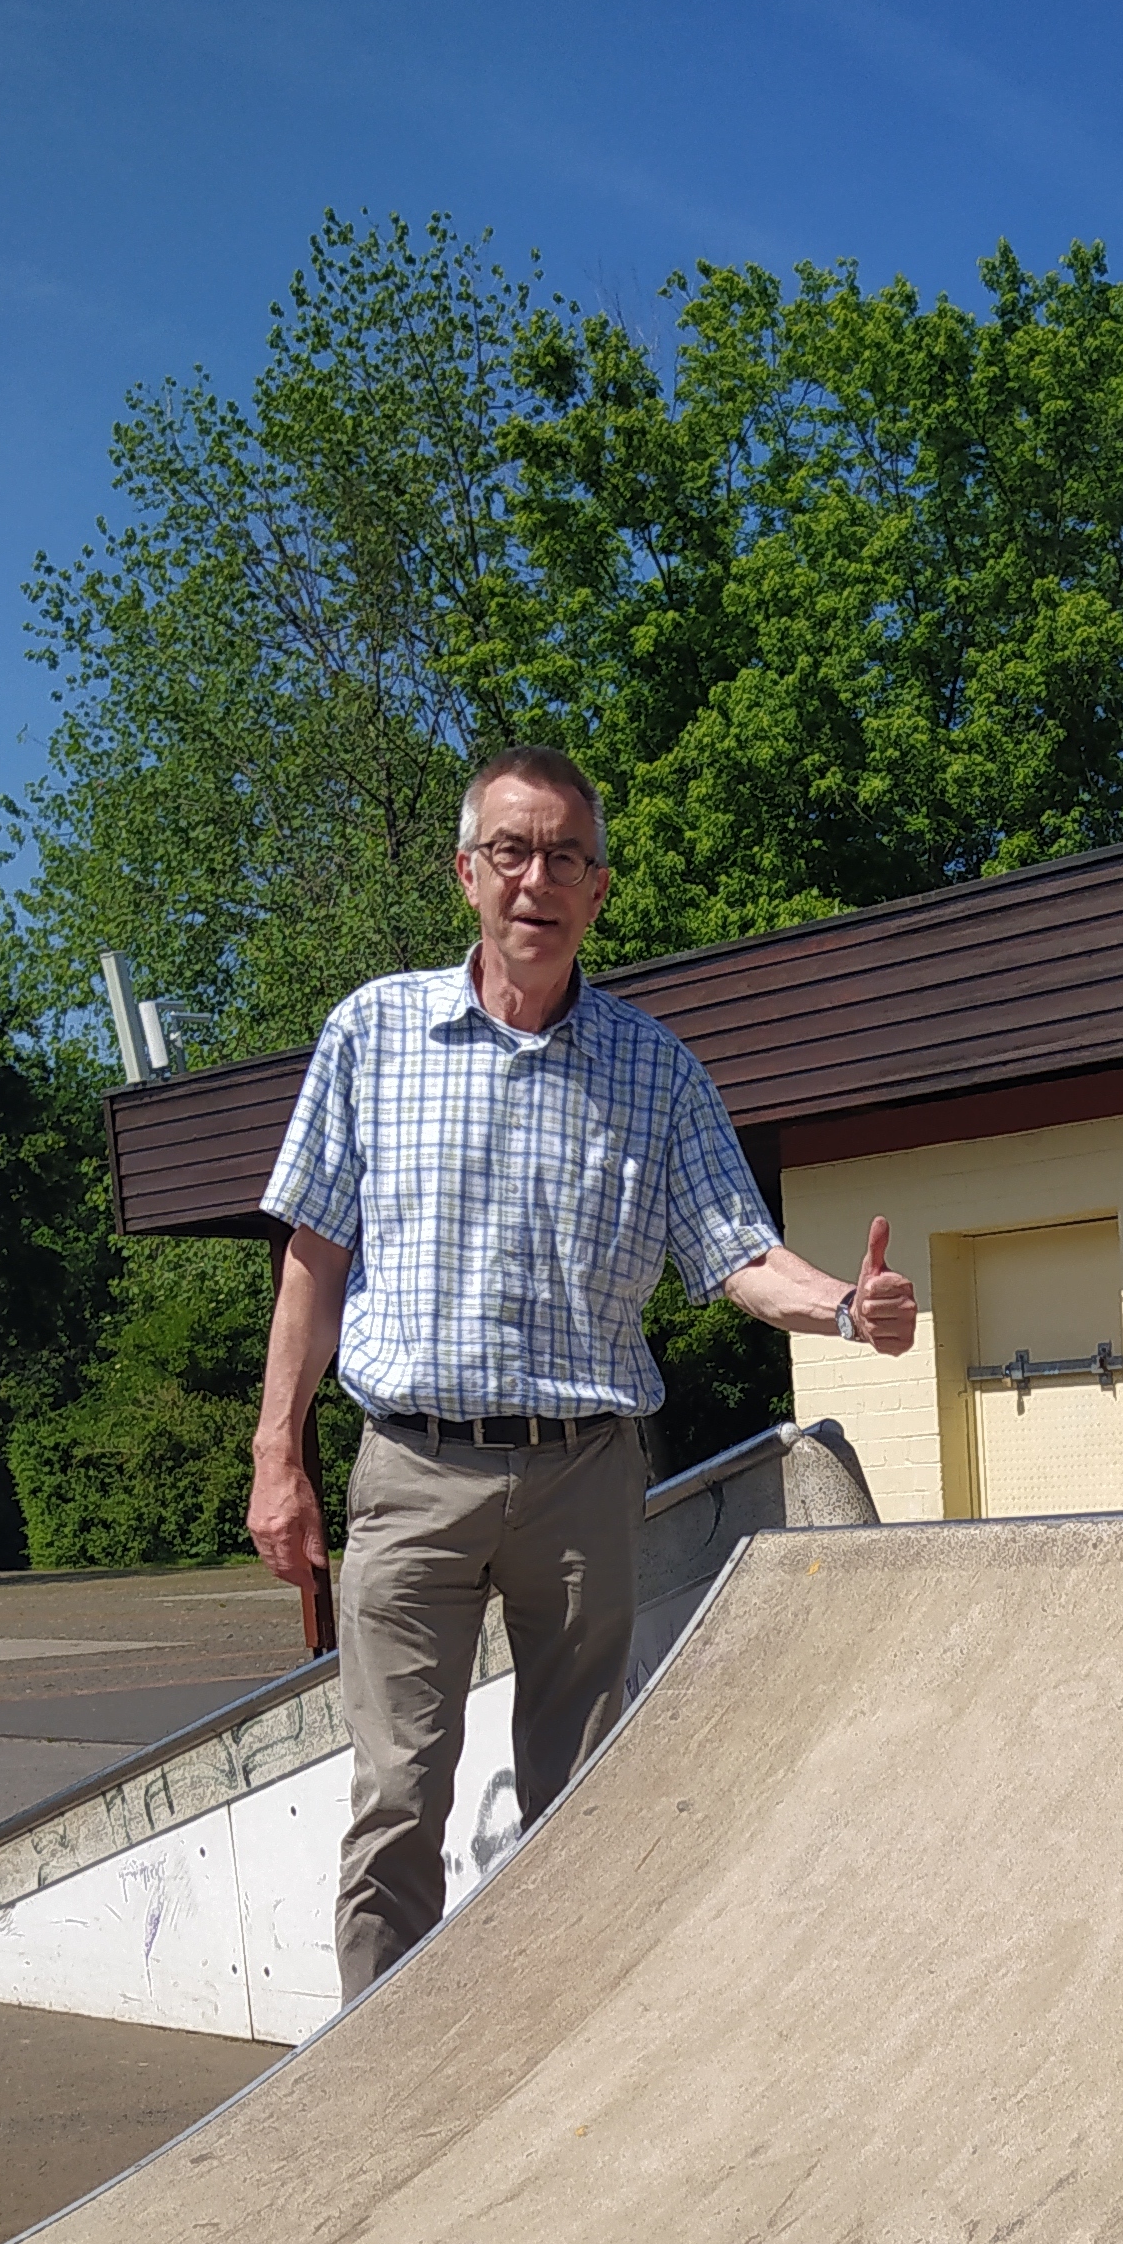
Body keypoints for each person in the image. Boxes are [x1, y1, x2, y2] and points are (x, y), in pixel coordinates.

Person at [247, 744, 917, 1998]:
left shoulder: (655, 1070)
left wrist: (842, 1306)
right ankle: (379, 2073)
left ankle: (548, 2061)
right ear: (466, 872)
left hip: (583, 1482)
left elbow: (737, 1252)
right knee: (396, 1800)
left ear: (598, 891)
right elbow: (314, 1257)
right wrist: (276, 1453)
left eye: (566, 857)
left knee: (580, 1808)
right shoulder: (373, 1033)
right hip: (413, 1468)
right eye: (512, 850)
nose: (537, 879)